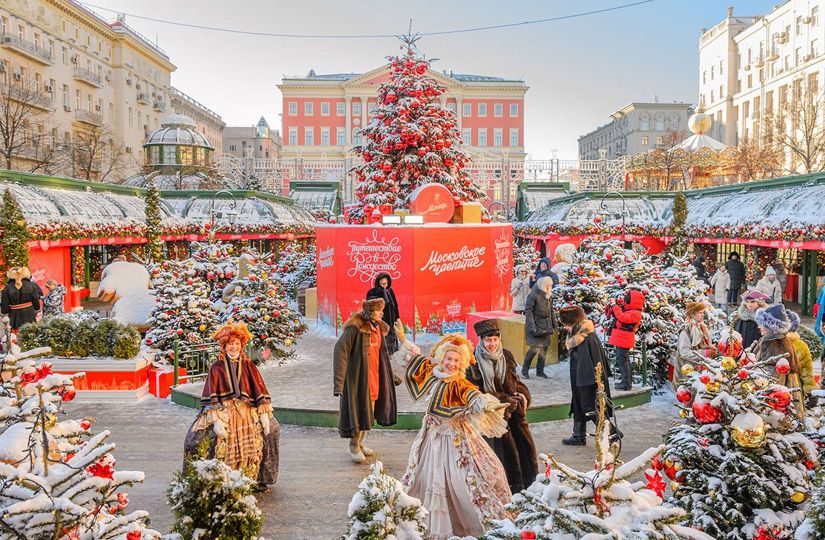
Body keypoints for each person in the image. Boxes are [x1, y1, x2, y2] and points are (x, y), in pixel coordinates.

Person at [401, 334, 512, 539]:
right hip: (430, 438)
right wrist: (404, 341)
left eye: (456, 361)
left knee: (460, 480)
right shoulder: (434, 374)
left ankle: (467, 525)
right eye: (448, 359)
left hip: (454, 439)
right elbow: (418, 361)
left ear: (461, 364)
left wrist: (489, 404)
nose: (451, 364)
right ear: (442, 359)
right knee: (425, 477)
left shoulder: (460, 385)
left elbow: (473, 396)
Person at [183, 322, 279, 492]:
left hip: (247, 411)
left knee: (271, 430)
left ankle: (254, 477)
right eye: (230, 344)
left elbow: (259, 389)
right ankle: (218, 478)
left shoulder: (249, 365)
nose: (234, 347)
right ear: (224, 345)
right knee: (195, 439)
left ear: (241, 345)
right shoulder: (216, 367)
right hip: (224, 411)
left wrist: (264, 413)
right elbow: (212, 395)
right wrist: (217, 419)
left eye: (237, 344)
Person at [466, 319, 538, 493]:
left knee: (523, 453)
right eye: (488, 340)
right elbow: (475, 393)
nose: (492, 344)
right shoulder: (472, 362)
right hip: (491, 420)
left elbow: (515, 381)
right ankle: (505, 490)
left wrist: (521, 395)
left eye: (495, 340)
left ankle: (526, 489)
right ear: (481, 341)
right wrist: (504, 401)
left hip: (514, 416)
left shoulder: (506, 355)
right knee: (501, 458)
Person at [333, 297, 397, 463]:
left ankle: (361, 443)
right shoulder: (355, 328)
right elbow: (340, 352)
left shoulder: (377, 329)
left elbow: (382, 356)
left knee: (368, 413)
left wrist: (390, 376)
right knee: (358, 413)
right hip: (358, 379)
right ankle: (353, 445)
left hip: (374, 378)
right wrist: (339, 383)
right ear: (370, 312)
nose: (381, 313)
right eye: (378, 310)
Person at [558, 305, 618, 446]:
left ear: (573, 322)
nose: (565, 328)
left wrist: (587, 381)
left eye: (566, 325)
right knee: (578, 405)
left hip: (587, 379)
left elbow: (589, 361)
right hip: (581, 378)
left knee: (588, 407)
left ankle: (612, 432)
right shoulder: (579, 334)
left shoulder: (586, 338)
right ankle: (578, 435)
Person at [752, 304, 804, 418]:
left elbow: (773, 379)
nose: (759, 327)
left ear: (771, 326)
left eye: (762, 324)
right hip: (785, 396)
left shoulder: (773, 344)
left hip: (776, 402)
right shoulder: (778, 340)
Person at [605, 290, 644, 391]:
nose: (626, 300)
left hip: (624, 339)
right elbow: (618, 314)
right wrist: (614, 305)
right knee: (622, 361)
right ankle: (625, 382)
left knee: (623, 361)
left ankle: (626, 384)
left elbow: (622, 318)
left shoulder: (636, 313)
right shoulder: (629, 310)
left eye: (628, 299)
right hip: (621, 338)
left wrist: (615, 306)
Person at [522, 276, 558, 379]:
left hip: (546, 326)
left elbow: (551, 312)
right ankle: (525, 370)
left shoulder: (548, 296)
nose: (549, 287)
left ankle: (540, 371)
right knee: (534, 349)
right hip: (535, 326)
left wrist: (555, 325)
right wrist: (532, 327)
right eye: (548, 285)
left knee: (544, 349)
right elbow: (528, 312)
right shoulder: (533, 296)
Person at [675, 302, 714, 375]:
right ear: (692, 314)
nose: (703, 315)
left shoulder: (702, 327)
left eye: (703, 312)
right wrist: (704, 353)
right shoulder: (686, 331)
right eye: (700, 313)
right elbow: (684, 352)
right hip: (688, 370)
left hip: (701, 368)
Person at [366, 272, 400, 354]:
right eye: (381, 283)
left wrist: (397, 318)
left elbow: (395, 305)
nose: (384, 285)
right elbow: (370, 308)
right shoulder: (372, 292)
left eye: (385, 283)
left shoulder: (390, 291)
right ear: (378, 282)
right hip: (380, 322)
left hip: (391, 322)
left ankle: (389, 355)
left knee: (390, 345)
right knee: (381, 344)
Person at [786, 310, 816, 398]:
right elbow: (806, 372)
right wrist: (810, 390)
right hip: (795, 388)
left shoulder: (771, 342)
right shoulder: (801, 346)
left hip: (772, 388)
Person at [0, 267, 41, 332]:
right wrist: (37, 309)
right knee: (30, 334)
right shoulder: (32, 285)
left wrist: (4, 313)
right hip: (29, 314)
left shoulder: (7, 287)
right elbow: (36, 301)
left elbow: (4, 304)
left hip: (14, 316)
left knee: (15, 336)